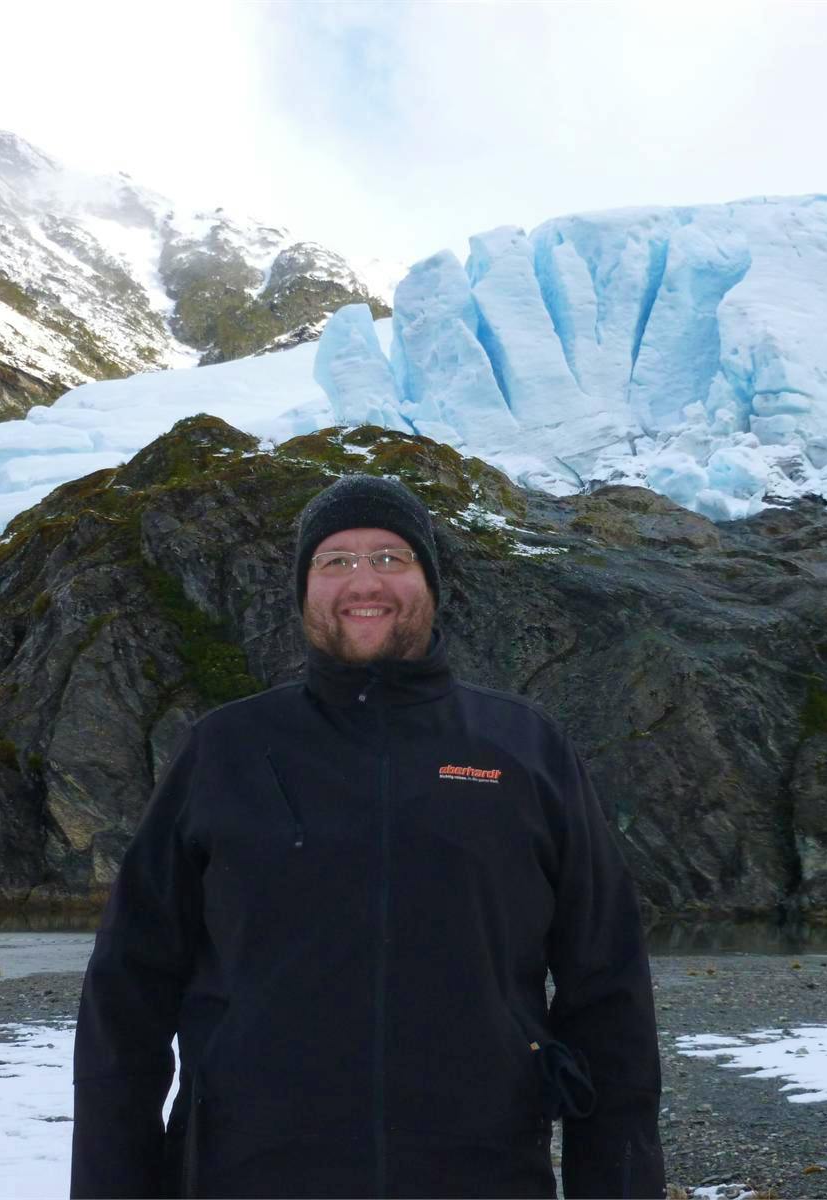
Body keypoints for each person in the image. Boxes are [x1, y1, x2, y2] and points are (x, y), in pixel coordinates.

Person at [71, 475, 665, 1198]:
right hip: (247, 1175)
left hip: (481, 1174)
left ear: (430, 583)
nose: (364, 581)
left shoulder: (524, 750)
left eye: (390, 558)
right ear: (304, 590)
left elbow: (608, 997)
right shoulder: (225, 750)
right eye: (335, 561)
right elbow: (126, 996)